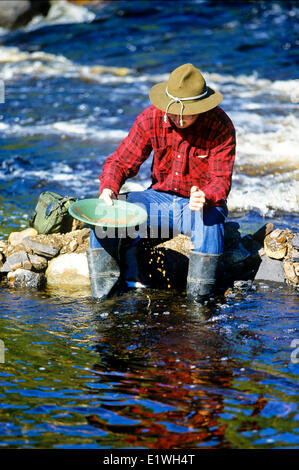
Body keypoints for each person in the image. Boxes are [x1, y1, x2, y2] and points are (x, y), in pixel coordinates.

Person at [87, 63, 236, 301]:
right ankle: (104, 300)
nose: (178, 118)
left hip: (197, 206)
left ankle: (198, 304)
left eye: (186, 112)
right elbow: (119, 162)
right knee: (104, 216)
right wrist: (108, 189)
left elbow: (221, 180)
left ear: (202, 107)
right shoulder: (151, 118)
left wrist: (206, 195)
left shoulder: (220, 126)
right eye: (174, 111)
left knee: (211, 223)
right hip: (158, 201)